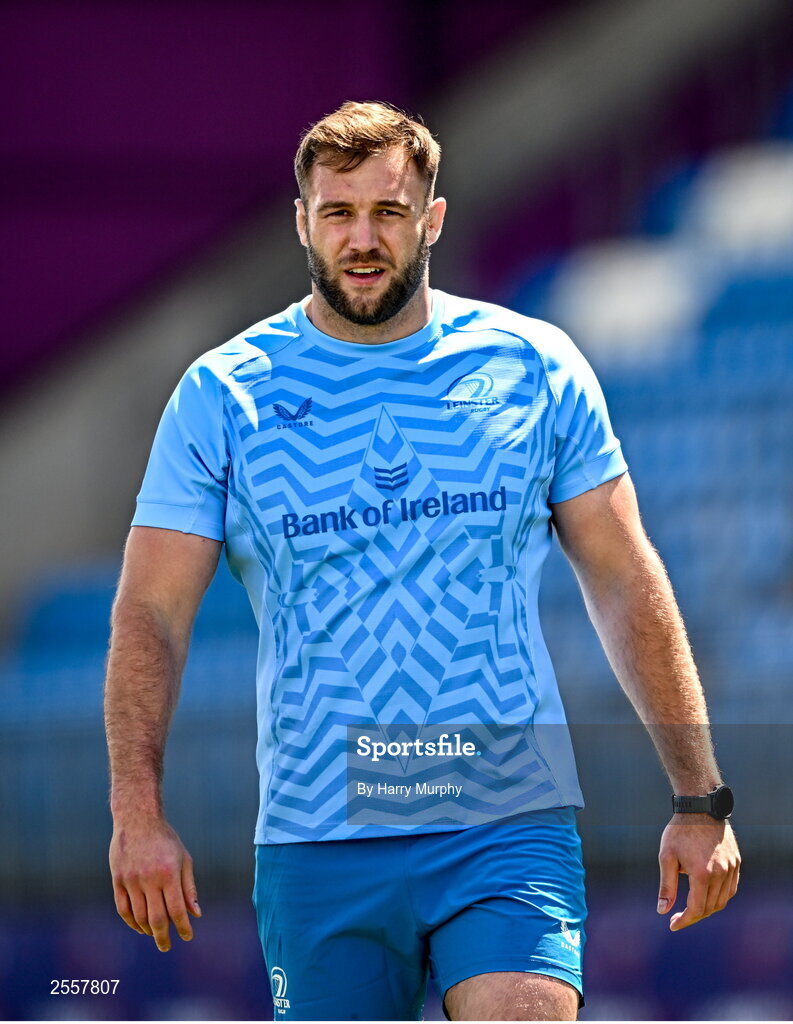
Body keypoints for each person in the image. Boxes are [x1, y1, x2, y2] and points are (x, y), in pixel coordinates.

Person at [104, 101, 740, 1022]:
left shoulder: (536, 367)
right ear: (302, 222)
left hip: (503, 814)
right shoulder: (223, 394)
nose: (363, 239)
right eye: (338, 214)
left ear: (430, 219)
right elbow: (150, 614)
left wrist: (699, 795)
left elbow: (622, 576)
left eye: (389, 213)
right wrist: (137, 811)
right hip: (317, 835)